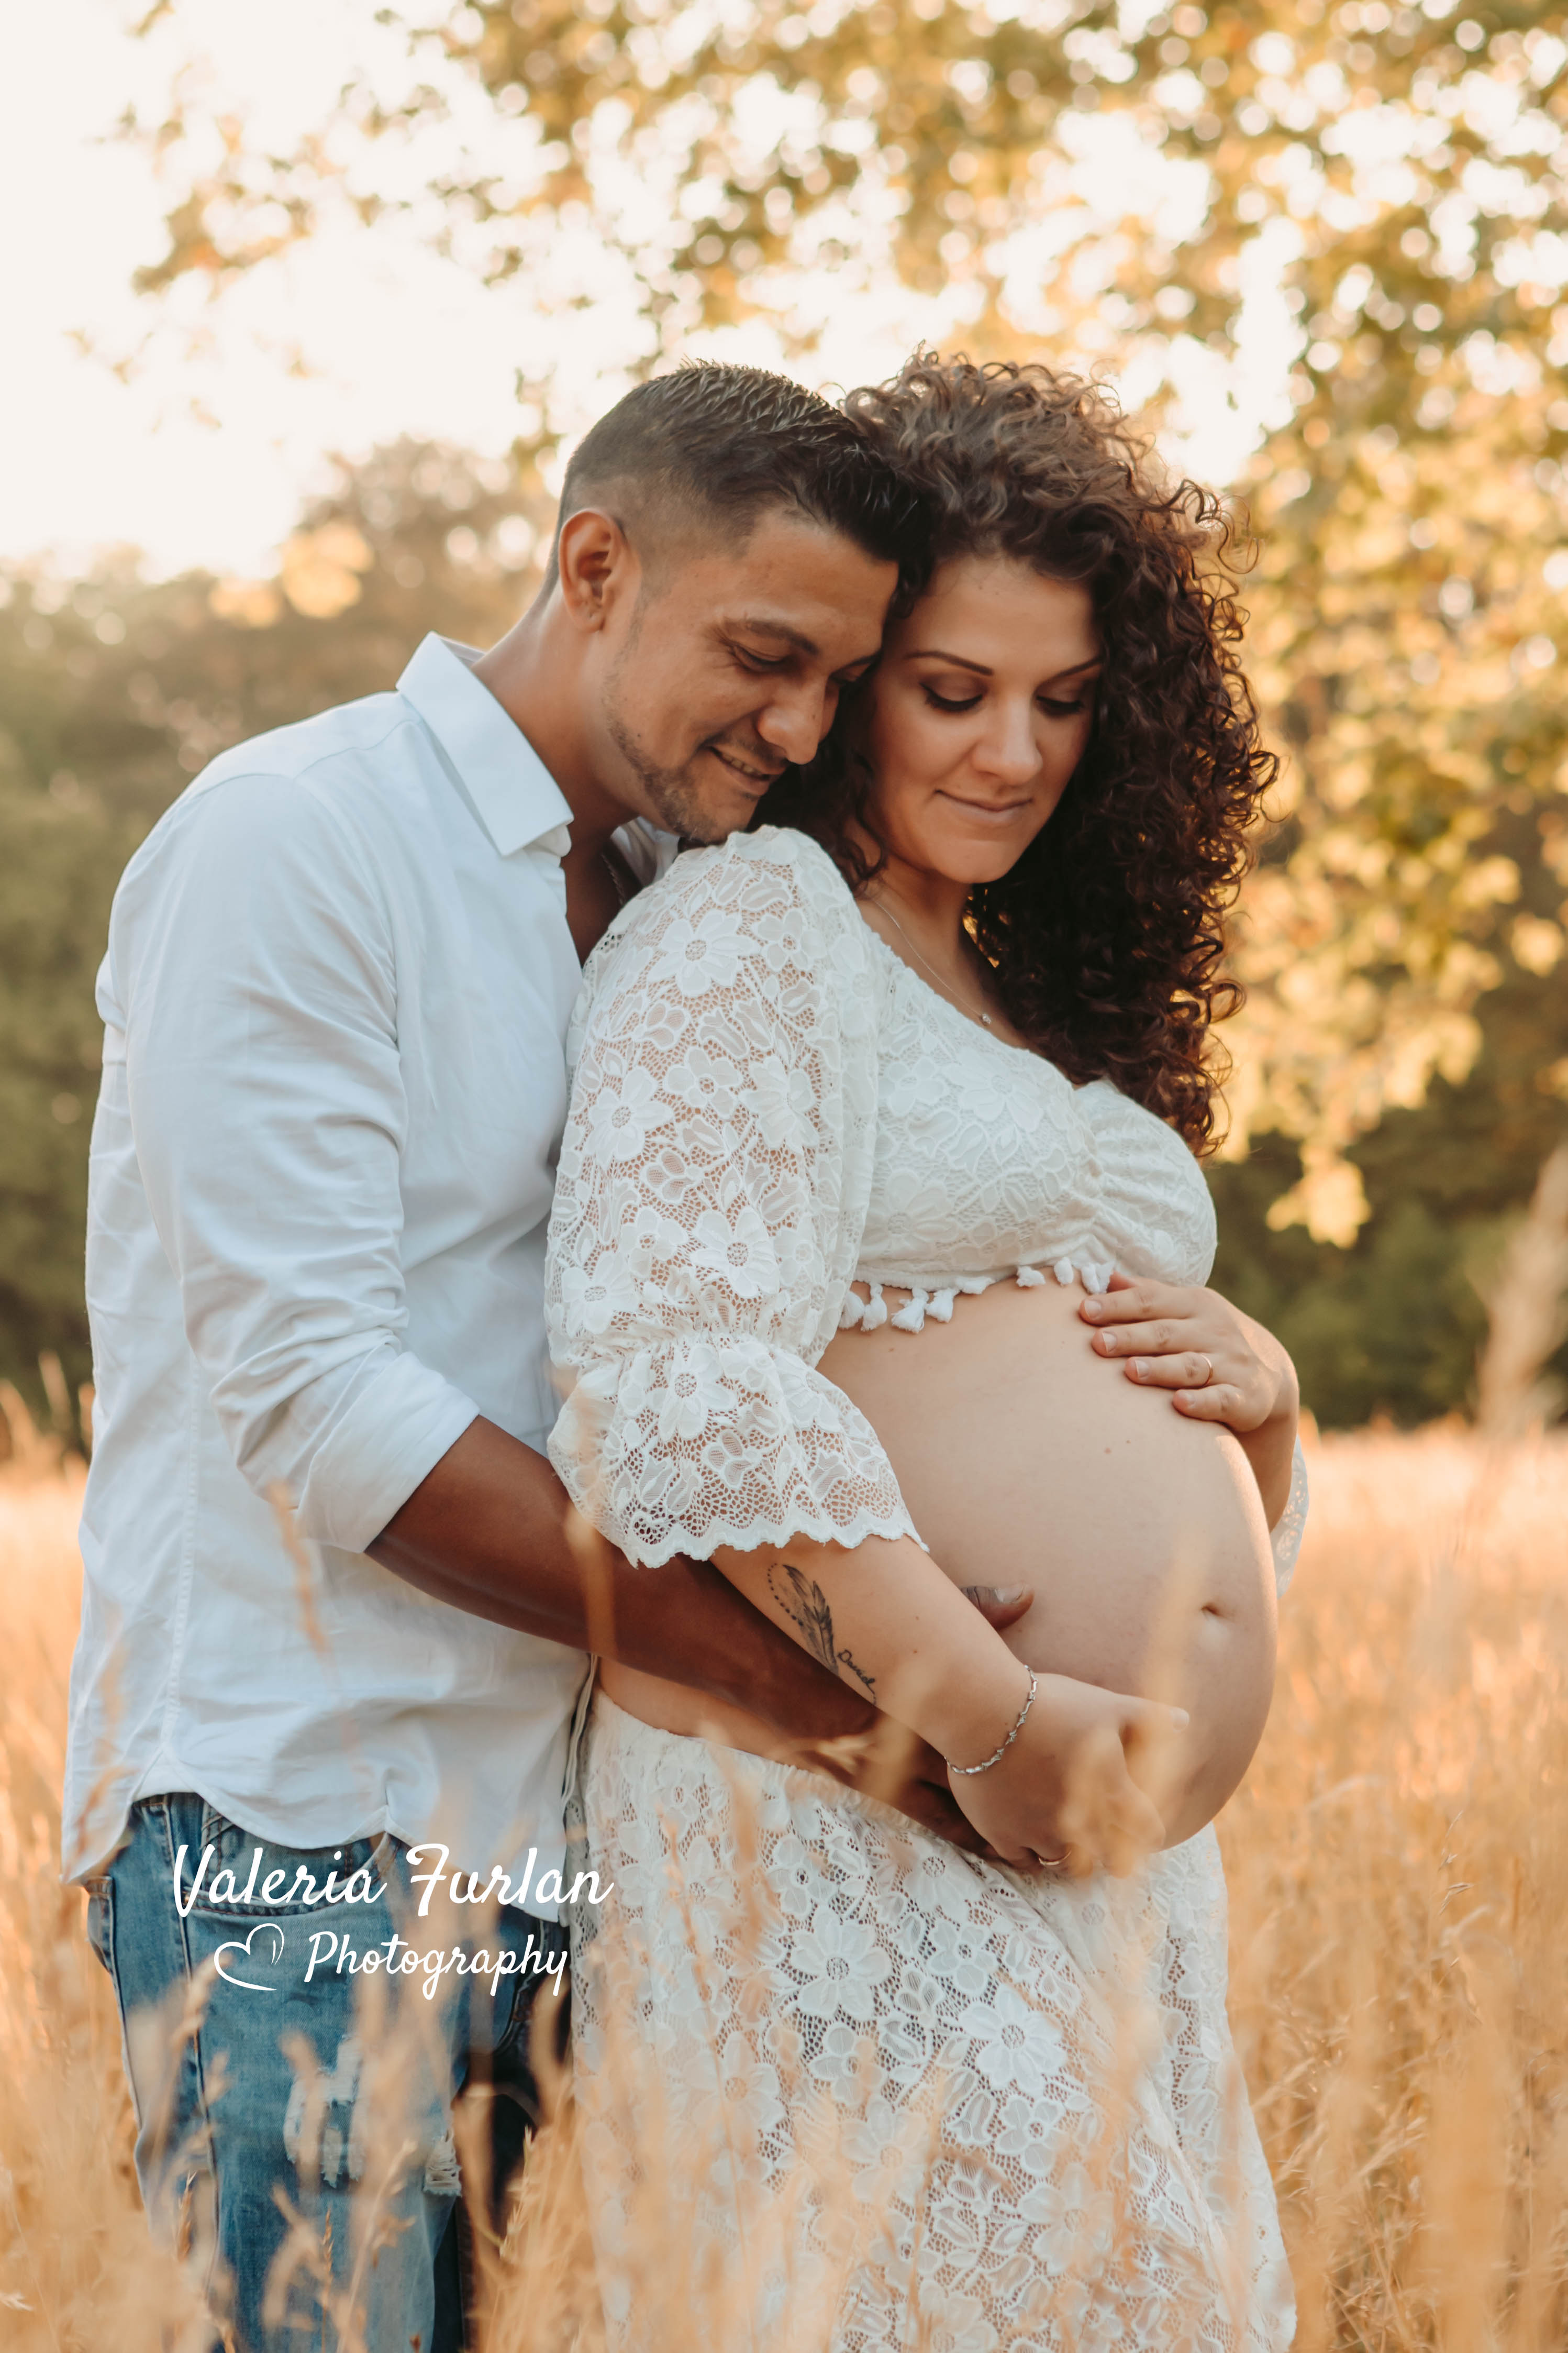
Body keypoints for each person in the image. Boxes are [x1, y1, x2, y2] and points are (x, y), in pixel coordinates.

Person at [62, 362, 996, 2353]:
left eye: (841, 679)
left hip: (568, 1850)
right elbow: (327, 1406)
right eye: (765, 656)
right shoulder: (297, 838)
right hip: (292, 1841)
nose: (803, 726)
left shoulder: (678, 901)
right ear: (594, 565)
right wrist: (842, 1713)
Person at [545, 356, 1305, 2347]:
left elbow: (1131, 1455)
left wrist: (1266, 1420)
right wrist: (974, 1714)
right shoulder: (755, 932)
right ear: (857, 680)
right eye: (952, 690)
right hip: (864, 1811)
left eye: (1065, 702)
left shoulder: (1033, 985)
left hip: (1096, 1868)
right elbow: (667, 1365)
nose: (1012, 754)